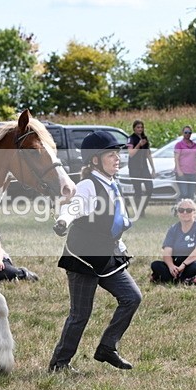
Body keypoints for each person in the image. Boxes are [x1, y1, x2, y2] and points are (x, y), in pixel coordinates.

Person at [49, 130, 142, 373]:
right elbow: (74, 207)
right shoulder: (88, 184)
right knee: (80, 314)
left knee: (132, 298)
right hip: (84, 256)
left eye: (117, 153)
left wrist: (119, 246)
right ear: (95, 160)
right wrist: (63, 221)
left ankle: (107, 348)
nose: (117, 158)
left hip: (107, 254)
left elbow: (115, 220)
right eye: (111, 154)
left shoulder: (113, 183)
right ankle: (59, 364)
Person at [150, 199, 196, 284]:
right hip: (177, 264)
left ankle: (170, 278)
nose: (185, 213)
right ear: (177, 213)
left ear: (194, 213)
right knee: (155, 265)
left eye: (188, 210)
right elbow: (167, 252)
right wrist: (171, 266)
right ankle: (185, 279)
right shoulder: (173, 229)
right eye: (181, 210)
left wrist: (183, 265)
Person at [127, 120, 155, 219]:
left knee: (150, 189)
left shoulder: (145, 138)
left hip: (144, 168)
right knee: (138, 191)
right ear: (134, 128)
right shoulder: (131, 139)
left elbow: (148, 153)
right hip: (134, 168)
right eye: (138, 127)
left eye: (141, 127)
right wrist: (139, 144)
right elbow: (131, 153)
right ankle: (139, 211)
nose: (140, 129)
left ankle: (142, 208)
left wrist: (153, 168)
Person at [174, 125, 196, 201]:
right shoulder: (179, 145)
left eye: (189, 132)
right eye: (186, 132)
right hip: (182, 173)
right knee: (184, 193)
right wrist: (178, 170)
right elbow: (176, 158)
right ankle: (178, 208)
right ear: (183, 133)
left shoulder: (195, 145)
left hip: (192, 173)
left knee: (191, 194)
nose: (187, 134)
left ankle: (189, 211)